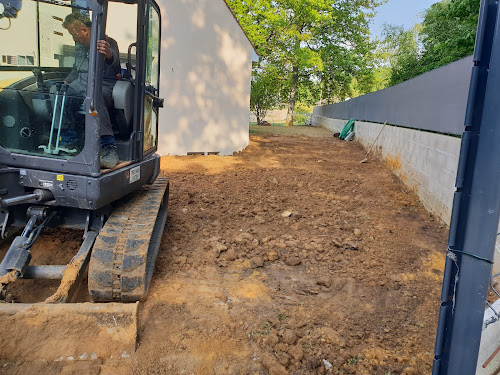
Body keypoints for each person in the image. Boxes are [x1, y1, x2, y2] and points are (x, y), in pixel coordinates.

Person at [62, 13, 120, 169]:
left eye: (74, 34)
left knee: (94, 96)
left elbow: (113, 58)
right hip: (80, 85)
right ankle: (69, 142)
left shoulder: (107, 42)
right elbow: (76, 69)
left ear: (84, 30)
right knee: (61, 94)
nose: (73, 38)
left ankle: (108, 147)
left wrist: (108, 54)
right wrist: (65, 82)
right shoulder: (79, 48)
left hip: (104, 86)